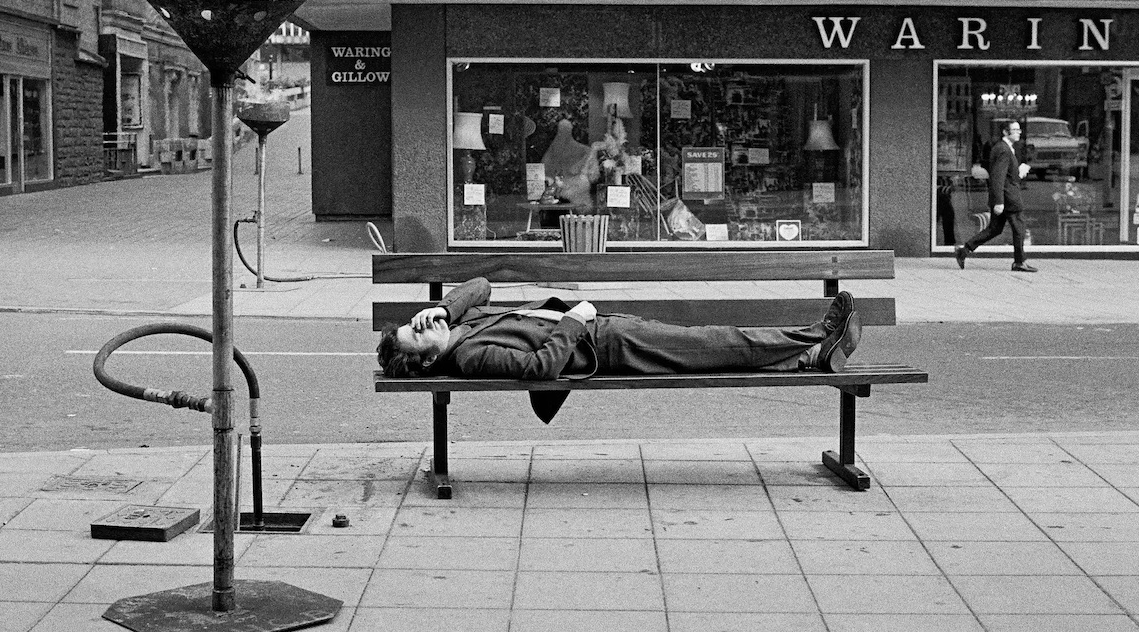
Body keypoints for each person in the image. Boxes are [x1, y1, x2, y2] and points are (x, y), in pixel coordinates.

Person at [377, 277, 862, 423]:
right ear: (427, 359)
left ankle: (811, 357)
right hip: (606, 345)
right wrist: (575, 319)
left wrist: (439, 308)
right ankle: (818, 335)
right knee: (716, 342)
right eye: (417, 333)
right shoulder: (469, 356)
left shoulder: (460, 323)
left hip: (607, 328)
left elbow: (479, 285)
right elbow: (539, 367)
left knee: (712, 344)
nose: (421, 326)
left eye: (413, 324)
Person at [955, 120, 1037, 272]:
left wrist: (1019, 172)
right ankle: (1019, 262)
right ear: (1005, 132)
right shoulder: (1004, 150)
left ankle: (964, 250)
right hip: (1009, 198)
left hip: (1005, 196)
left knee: (994, 229)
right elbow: (997, 177)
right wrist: (999, 201)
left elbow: (1004, 176)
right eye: (1015, 129)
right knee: (1019, 228)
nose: (1019, 132)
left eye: (1019, 129)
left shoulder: (1004, 148)